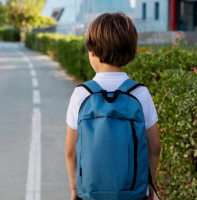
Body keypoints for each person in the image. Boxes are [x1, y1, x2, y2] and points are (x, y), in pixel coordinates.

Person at [65, 12, 161, 200]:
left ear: (92, 51)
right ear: (130, 51)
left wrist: (75, 189)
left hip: (90, 193)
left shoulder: (82, 94)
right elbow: (155, 146)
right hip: (133, 193)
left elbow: (70, 151)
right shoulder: (140, 93)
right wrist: (148, 185)